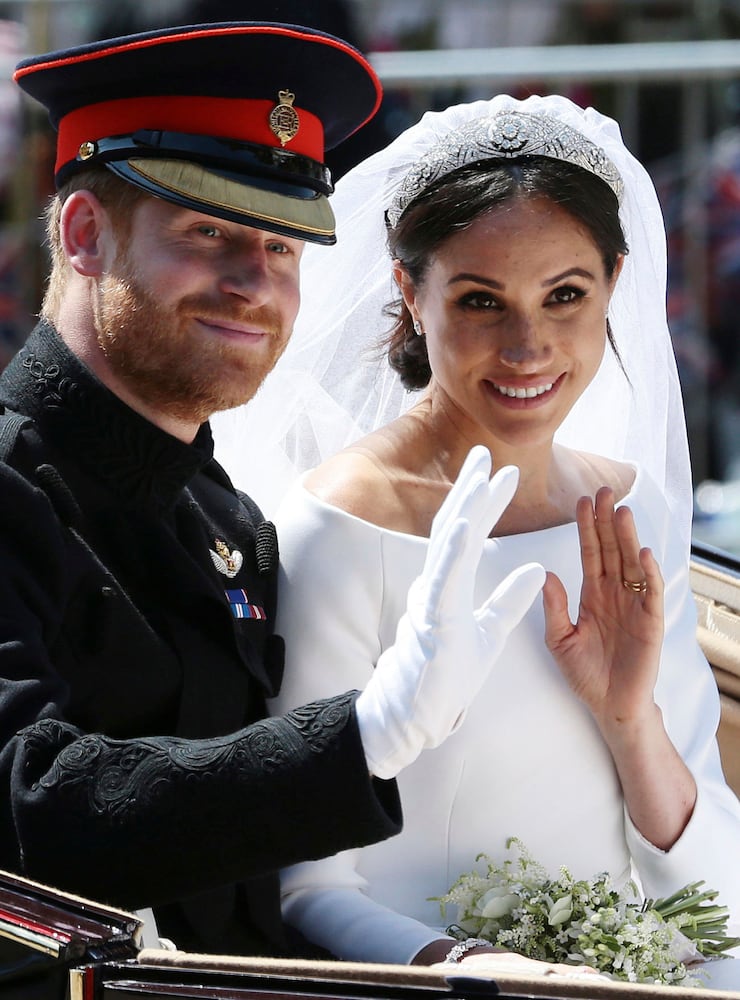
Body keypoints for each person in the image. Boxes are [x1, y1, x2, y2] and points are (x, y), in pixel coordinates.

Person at [0, 26, 547, 958]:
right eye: (209, 232)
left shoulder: (227, 519)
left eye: (285, 247)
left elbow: (258, 884)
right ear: (85, 236)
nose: (257, 283)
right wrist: (365, 736)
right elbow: (33, 811)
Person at [214, 94, 740, 977]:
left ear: (615, 282)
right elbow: (308, 885)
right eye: (481, 300)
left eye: (565, 295)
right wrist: (478, 974)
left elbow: (716, 898)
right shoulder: (343, 525)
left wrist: (630, 722)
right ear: (410, 296)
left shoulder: (628, 507)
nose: (528, 346)